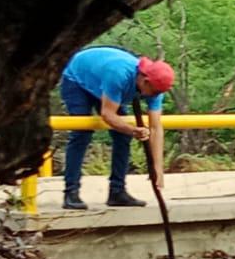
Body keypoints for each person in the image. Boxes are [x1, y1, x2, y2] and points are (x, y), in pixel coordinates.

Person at [59, 46, 174, 210]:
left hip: (104, 83)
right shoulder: (119, 75)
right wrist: (133, 130)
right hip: (78, 77)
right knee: (81, 132)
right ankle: (71, 192)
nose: (154, 96)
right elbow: (107, 114)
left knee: (122, 136)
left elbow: (156, 127)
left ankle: (117, 192)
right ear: (144, 80)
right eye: (153, 92)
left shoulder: (156, 88)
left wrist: (157, 168)